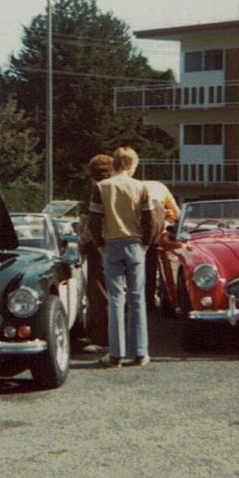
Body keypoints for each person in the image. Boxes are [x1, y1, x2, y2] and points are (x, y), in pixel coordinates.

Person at [88, 146, 158, 367]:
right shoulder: (140, 187)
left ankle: (116, 355)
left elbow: (94, 221)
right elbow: (151, 220)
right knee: (137, 299)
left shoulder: (101, 187)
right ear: (130, 164)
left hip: (111, 246)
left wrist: (100, 245)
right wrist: (145, 244)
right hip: (136, 245)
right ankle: (140, 353)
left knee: (116, 299)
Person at [77, 154, 114, 352]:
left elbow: (94, 221)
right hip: (120, 243)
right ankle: (119, 336)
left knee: (98, 292)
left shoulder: (98, 189)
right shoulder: (119, 186)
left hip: (99, 247)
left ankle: (101, 339)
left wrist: (83, 242)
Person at [142, 180, 181, 311]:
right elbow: (177, 213)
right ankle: (150, 302)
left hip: (135, 226)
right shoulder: (161, 188)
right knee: (153, 263)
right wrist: (169, 217)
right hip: (155, 225)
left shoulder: (136, 186)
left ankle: (140, 300)